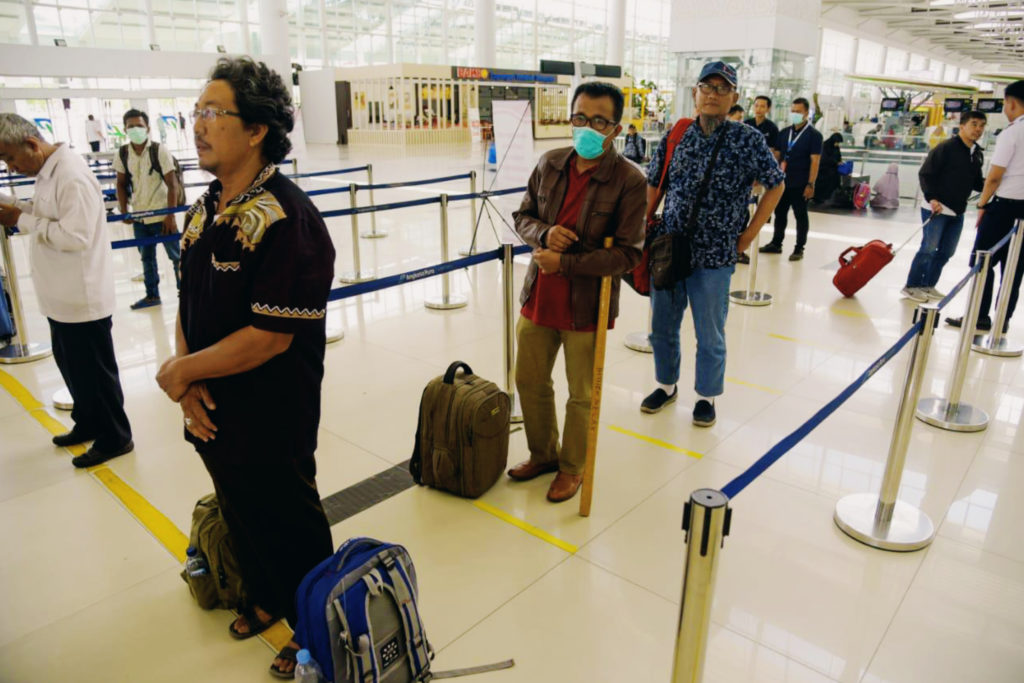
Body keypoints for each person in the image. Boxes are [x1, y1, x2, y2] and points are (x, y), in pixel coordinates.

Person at [153, 57, 335, 678]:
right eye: (196, 111)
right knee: (236, 503)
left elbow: (271, 336)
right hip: (211, 402)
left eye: (213, 113)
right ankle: (263, 594)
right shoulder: (208, 207)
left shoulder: (287, 219)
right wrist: (188, 374)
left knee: (288, 512)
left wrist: (183, 372)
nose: (197, 125)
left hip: (270, 408)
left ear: (256, 130)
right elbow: (188, 298)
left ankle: (314, 622)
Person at [508, 82, 645, 503]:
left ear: (615, 129)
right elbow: (523, 215)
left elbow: (628, 255)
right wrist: (545, 232)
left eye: (599, 121)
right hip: (539, 297)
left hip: (585, 306)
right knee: (529, 380)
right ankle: (543, 453)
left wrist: (564, 263)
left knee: (581, 394)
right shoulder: (550, 164)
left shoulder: (629, 181)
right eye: (580, 117)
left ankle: (572, 467)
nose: (587, 127)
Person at [640, 62, 784, 425]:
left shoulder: (747, 139)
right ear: (695, 93)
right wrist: (643, 229)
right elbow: (655, 182)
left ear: (734, 97)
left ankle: (706, 396)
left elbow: (776, 184)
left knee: (710, 332)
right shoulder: (678, 134)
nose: (713, 94)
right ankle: (666, 385)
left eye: (723, 89)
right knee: (662, 327)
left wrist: (748, 236)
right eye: (707, 87)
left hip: (717, 254)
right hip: (671, 248)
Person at [0, 113, 134, 468]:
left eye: (11, 158)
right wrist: (20, 208)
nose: (12, 167)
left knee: (95, 375)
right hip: (60, 297)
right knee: (74, 370)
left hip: (81, 297)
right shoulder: (48, 172)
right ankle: (87, 423)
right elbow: (51, 215)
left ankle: (115, 437)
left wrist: (21, 220)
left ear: (31, 144)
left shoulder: (71, 175)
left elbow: (75, 236)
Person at [946, 81, 1024, 332]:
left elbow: (994, 177)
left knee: (982, 261)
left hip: (1004, 208)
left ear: (1011, 102)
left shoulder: (1012, 133)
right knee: (1014, 267)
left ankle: (979, 316)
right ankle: (1003, 320)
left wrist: (982, 204)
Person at [902, 110, 987, 304]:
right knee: (928, 249)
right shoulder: (946, 148)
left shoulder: (976, 153)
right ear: (962, 126)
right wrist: (932, 198)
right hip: (937, 207)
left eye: (982, 125)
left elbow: (976, 182)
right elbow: (925, 173)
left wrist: (994, 184)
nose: (978, 129)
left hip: (958, 210)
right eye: (974, 124)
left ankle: (928, 284)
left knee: (947, 252)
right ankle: (912, 285)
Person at [114, 109, 182, 310]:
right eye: (131, 126)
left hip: (162, 215)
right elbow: (120, 183)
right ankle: (152, 296)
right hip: (140, 218)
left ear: (148, 128)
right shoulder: (123, 153)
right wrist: (125, 209)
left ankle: (185, 293)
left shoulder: (159, 150)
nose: (135, 129)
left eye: (139, 126)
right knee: (146, 259)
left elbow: (172, 184)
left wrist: (170, 216)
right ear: (125, 129)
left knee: (176, 257)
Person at [760, 97, 822, 261]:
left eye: (798, 112)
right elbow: (777, 155)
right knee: (780, 213)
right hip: (782, 182)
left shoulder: (814, 135)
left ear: (806, 113)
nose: (794, 114)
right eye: (793, 111)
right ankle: (776, 243)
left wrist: (811, 183)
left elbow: (815, 161)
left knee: (800, 215)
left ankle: (799, 248)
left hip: (801, 182)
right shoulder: (784, 133)